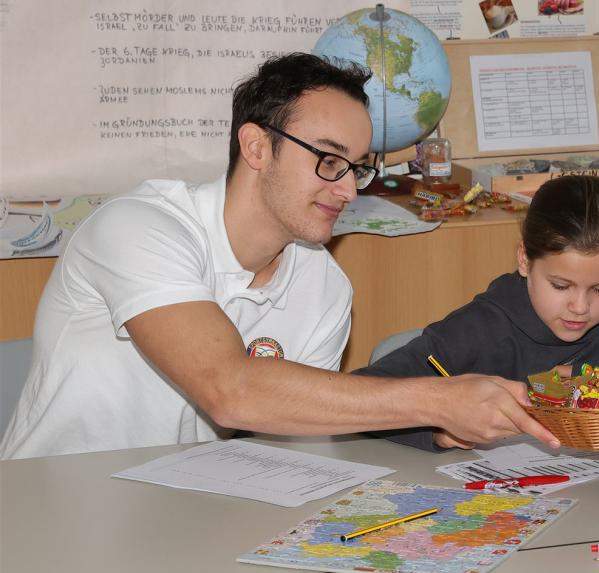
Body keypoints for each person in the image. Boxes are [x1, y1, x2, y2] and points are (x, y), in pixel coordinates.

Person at [0, 53, 556, 460]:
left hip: (186, 514)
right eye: (329, 160)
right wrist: (439, 400)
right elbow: (230, 391)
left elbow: (287, 442)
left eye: (358, 168)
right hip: (52, 506)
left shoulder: (325, 288)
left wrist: (439, 428)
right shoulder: (138, 227)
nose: (347, 191)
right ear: (256, 147)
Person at [359, 175, 599, 450]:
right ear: (524, 259)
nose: (580, 307)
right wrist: (441, 432)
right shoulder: (482, 326)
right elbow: (367, 398)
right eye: (560, 286)